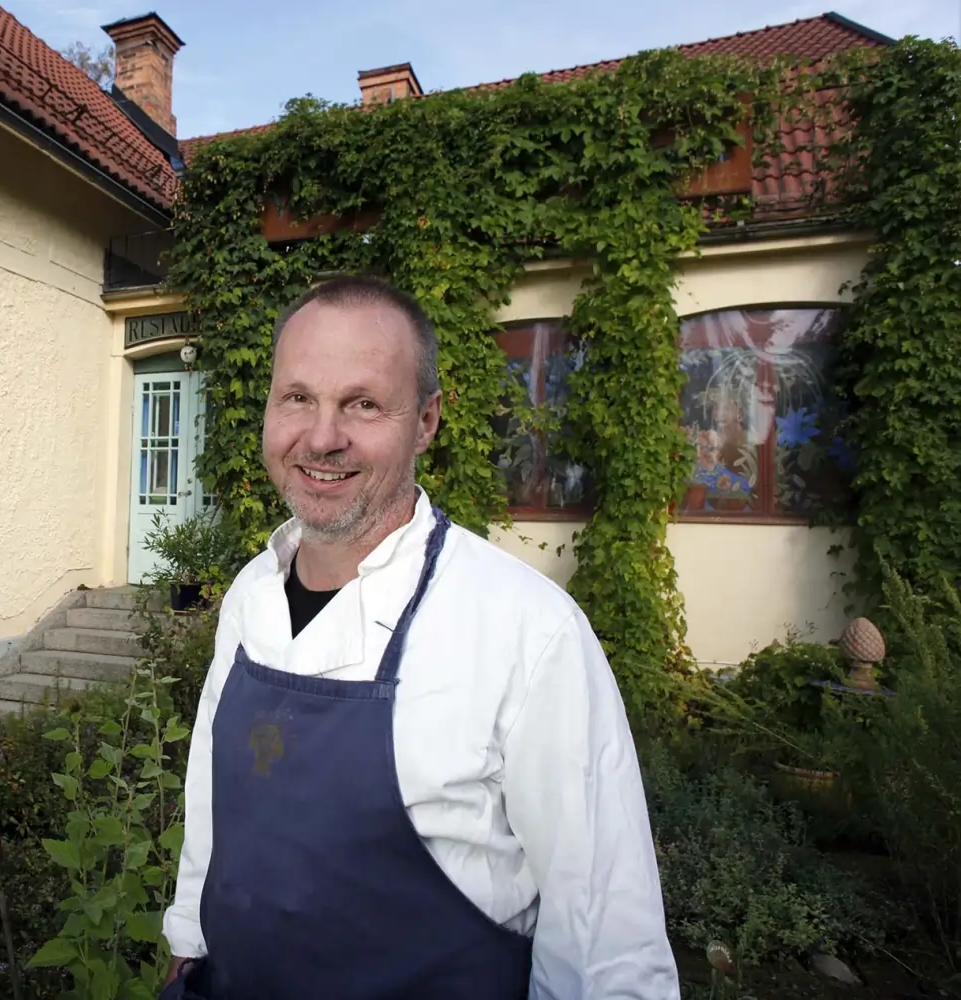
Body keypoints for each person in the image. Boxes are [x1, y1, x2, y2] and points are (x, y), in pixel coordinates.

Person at [158, 275, 680, 1000]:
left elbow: (605, 941)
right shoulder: (251, 593)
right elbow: (216, 798)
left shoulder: (525, 631)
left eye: (363, 403)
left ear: (427, 421)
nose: (322, 437)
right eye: (298, 398)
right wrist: (190, 942)